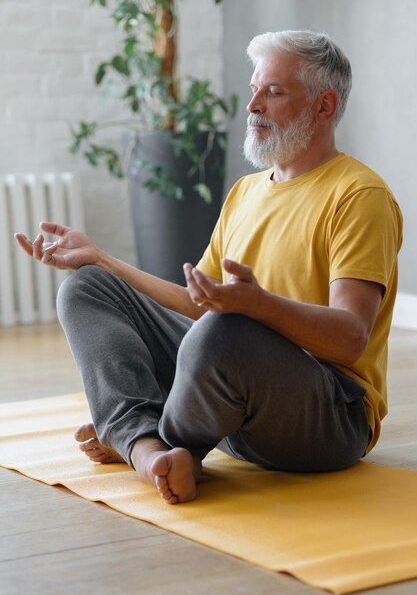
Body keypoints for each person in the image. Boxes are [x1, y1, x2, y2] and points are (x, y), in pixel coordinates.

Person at [15, 30, 402, 505]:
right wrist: (101, 259)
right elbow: (195, 304)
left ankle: (147, 437)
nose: (252, 105)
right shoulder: (246, 193)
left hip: (328, 417)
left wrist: (256, 306)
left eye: (274, 92)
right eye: (254, 89)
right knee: (87, 288)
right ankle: (148, 447)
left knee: (225, 332)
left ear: (324, 107)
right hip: (236, 404)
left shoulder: (359, 195)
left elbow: (349, 338)